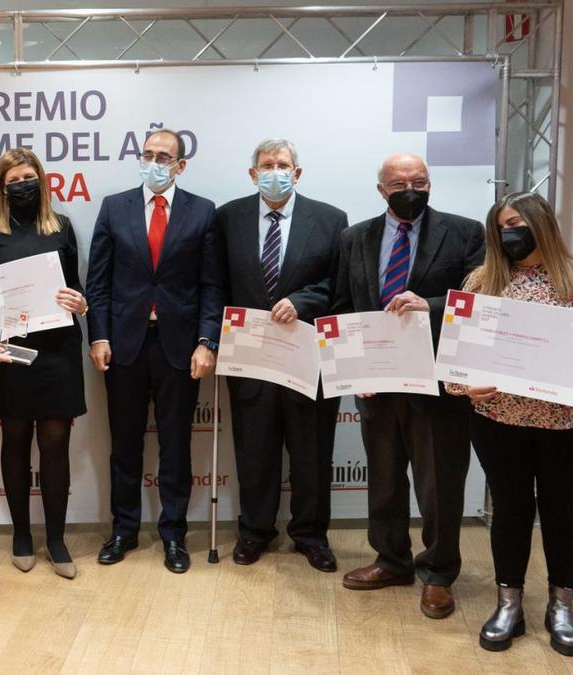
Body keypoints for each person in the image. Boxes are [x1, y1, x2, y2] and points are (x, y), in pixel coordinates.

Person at [332, 152, 484, 619]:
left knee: (440, 485)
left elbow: (481, 299)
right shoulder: (354, 238)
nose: (410, 190)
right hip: (376, 382)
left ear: (431, 183)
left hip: (437, 386)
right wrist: (354, 371)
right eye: (399, 184)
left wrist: (431, 304)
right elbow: (343, 306)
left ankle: (438, 573)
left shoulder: (465, 232)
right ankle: (392, 560)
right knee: (383, 479)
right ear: (381, 190)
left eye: (419, 181)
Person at [86, 129, 225, 574]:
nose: (154, 162)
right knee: (124, 444)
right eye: (147, 154)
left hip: (180, 348)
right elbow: (98, 282)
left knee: (176, 446)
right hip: (124, 344)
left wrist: (208, 341)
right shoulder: (114, 206)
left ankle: (173, 536)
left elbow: (211, 286)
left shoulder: (202, 211)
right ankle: (124, 529)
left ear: (181, 165)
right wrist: (98, 336)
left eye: (164, 156)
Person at [444, 193, 573, 655]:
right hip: (499, 420)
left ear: (541, 223)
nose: (509, 233)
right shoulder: (482, 281)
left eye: (517, 222)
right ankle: (509, 602)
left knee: (562, 511)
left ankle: (562, 602)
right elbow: (458, 361)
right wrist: (464, 386)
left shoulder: (571, 279)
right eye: (501, 227)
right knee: (511, 510)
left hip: (564, 422)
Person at [214, 139, 347, 572]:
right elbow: (216, 284)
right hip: (250, 354)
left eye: (283, 164)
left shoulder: (330, 220)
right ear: (253, 174)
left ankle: (310, 535)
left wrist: (304, 301)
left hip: (307, 355)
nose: (276, 171)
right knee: (255, 450)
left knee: (311, 452)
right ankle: (255, 530)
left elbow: (339, 285)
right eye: (267, 165)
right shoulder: (227, 217)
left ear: (298, 172)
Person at [0, 148, 87, 580]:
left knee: (55, 445)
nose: (22, 185)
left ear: (42, 179)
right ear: (1, 186)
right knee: (14, 441)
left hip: (57, 352)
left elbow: (76, 288)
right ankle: (21, 534)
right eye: (13, 179)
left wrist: (80, 301)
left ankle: (55, 538)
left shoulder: (62, 227)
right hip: (9, 354)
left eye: (28, 176)